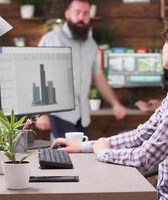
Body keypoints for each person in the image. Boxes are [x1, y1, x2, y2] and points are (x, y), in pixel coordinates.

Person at [51, 13, 168, 199]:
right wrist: (85, 146)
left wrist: (103, 152)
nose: (163, 48)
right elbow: (141, 135)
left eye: (165, 43)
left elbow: (146, 157)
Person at [36, 0, 126, 138]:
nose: (81, 17)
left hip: (83, 116)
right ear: (67, 14)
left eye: (85, 13)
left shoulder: (91, 44)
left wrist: (115, 103)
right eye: (77, 12)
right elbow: (38, 76)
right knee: (63, 157)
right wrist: (41, 113)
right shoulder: (51, 40)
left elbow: (98, 76)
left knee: (80, 156)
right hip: (60, 114)